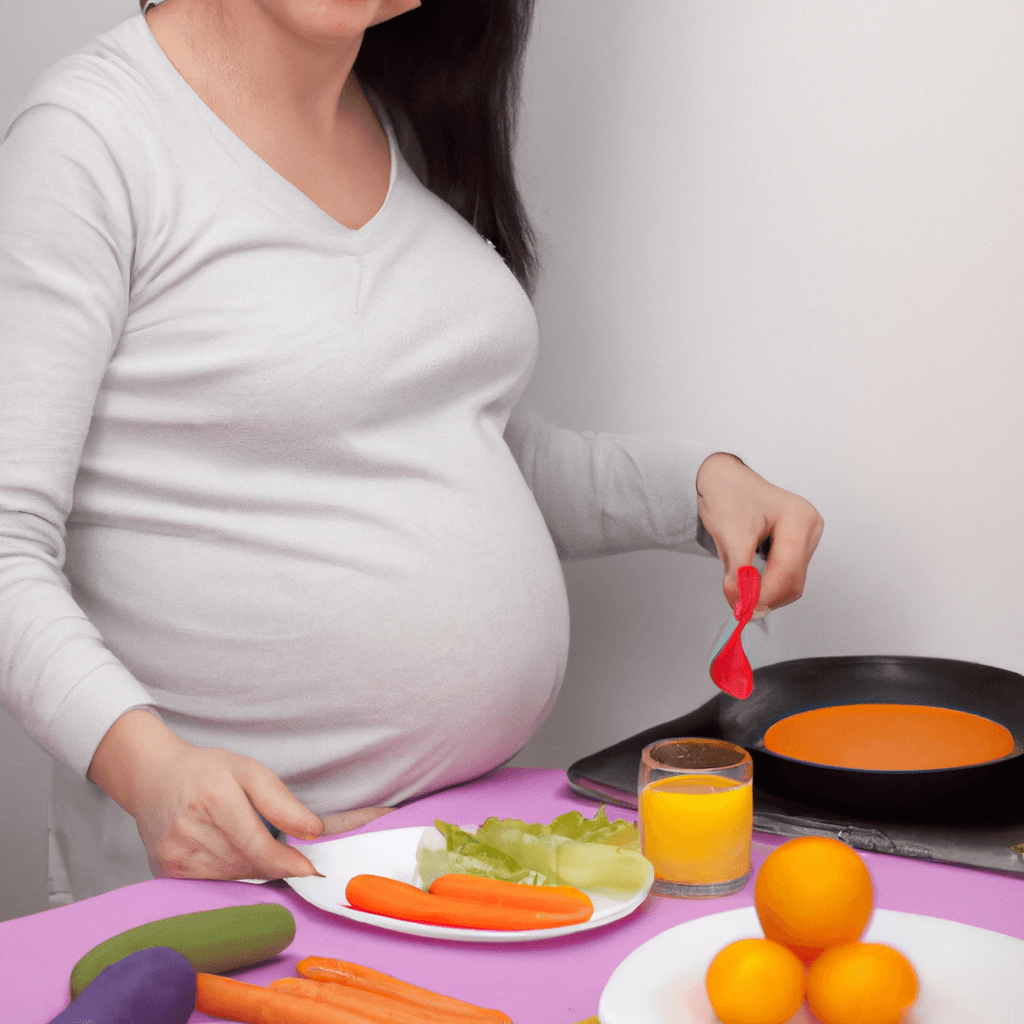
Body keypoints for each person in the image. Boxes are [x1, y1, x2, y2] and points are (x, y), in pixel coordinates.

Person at [0, 0, 823, 905]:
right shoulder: (90, 141)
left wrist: (698, 487)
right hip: (232, 884)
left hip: (448, 859)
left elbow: (445, 450)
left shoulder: (399, 122)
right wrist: (151, 772)